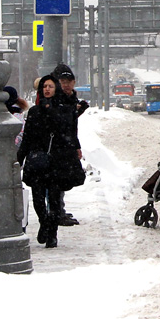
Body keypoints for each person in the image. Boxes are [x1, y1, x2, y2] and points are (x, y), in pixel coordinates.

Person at [17, 74, 84, 249]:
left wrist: (74, 151)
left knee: (53, 199)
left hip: (57, 161)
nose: (47, 89)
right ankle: (44, 222)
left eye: (50, 86)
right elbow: (27, 138)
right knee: (38, 198)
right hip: (38, 160)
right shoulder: (34, 111)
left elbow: (70, 133)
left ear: (56, 89)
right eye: (44, 87)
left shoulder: (65, 109)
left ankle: (52, 233)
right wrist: (19, 158)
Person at [50, 64, 87, 226]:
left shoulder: (69, 98)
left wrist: (76, 146)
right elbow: (60, 123)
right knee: (55, 182)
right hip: (55, 147)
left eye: (69, 81)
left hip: (65, 145)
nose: (66, 84)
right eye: (62, 81)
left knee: (61, 181)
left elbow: (69, 125)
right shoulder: (54, 98)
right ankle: (55, 213)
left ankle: (58, 211)